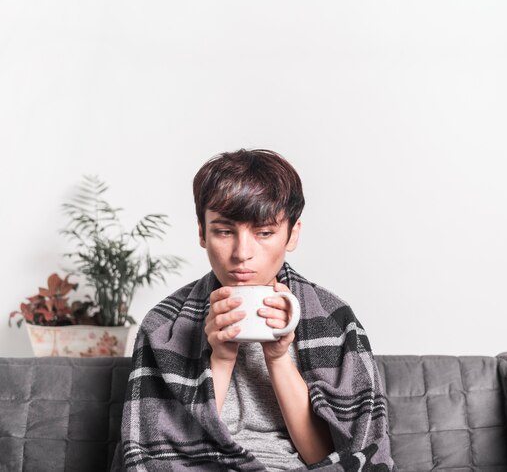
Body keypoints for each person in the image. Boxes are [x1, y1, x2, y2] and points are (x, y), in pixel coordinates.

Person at [114, 149, 394, 471]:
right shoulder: (164, 325)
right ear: (202, 233)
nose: (242, 253)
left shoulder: (333, 319)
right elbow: (164, 455)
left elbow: (337, 456)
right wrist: (220, 358)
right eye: (224, 231)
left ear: (293, 233)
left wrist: (278, 359)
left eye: (264, 233)